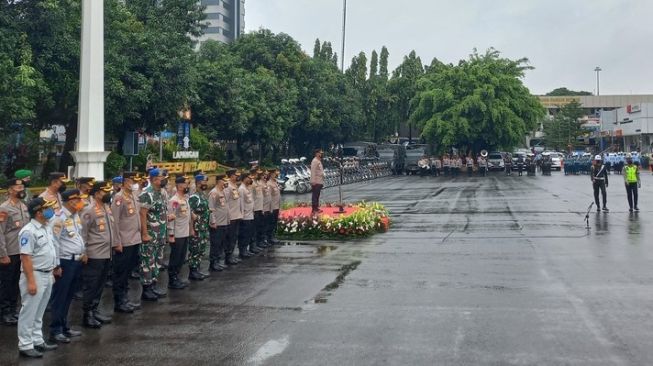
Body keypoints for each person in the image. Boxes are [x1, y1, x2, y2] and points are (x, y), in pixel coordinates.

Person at [17, 197, 60, 358]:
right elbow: (25, 257)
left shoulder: (45, 227)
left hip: (46, 273)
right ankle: (25, 344)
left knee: (39, 311)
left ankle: (37, 340)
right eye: (46, 208)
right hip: (34, 273)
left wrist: (53, 269)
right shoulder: (29, 231)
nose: (51, 211)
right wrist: (31, 281)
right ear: (38, 212)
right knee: (29, 311)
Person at [48, 189, 87, 343]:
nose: (81, 202)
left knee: (69, 296)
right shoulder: (59, 218)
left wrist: (83, 252)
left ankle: (64, 326)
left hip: (76, 261)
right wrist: (56, 265)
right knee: (60, 297)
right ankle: (55, 330)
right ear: (71, 201)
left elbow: (77, 236)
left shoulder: (75, 216)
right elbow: (54, 242)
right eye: (79, 199)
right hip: (65, 262)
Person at [80, 181, 119, 328]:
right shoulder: (89, 210)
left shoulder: (107, 208)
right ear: (96, 194)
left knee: (100, 284)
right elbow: (83, 233)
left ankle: (94, 310)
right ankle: (87, 315)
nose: (108, 194)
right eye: (104, 192)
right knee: (91, 285)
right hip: (94, 254)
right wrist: (83, 252)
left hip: (106, 253)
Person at [110, 172, 142, 313]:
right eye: (132, 180)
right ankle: (119, 301)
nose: (134, 183)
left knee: (128, 272)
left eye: (135, 180)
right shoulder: (119, 197)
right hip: (124, 241)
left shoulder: (133, 196)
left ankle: (125, 298)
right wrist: (117, 242)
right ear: (125, 182)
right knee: (120, 273)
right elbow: (115, 221)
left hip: (134, 239)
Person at [0, 178, 29, 326]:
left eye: (22, 186)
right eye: (18, 187)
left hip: (22, 251)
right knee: (7, 283)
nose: (21, 189)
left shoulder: (23, 206)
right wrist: (3, 254)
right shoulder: (4, 208)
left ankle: (13, 309)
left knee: (17, 283)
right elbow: (0, 232)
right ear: (10, 190)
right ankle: (5, 313)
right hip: (10, 252)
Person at [138, 169, 169, 301]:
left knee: (158, 260)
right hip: (150, 233)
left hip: (160, 233)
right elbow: (142, 214)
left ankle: (154, 284)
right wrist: (144, 233)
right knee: (148, 260)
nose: (164, 180)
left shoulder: (162, 192)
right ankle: (146, 287)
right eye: (162, 177)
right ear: (155, 179)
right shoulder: (147, 193)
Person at [166, 176, 193, 290]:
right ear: (180, 185)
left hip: (185, 232)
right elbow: (171, 218)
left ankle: (177, 277)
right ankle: (172, 280)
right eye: (186, 184)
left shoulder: (185, 198)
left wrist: (191, 229)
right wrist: (171, 234)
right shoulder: (174, 200)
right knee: (175, 258)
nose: (187, 186)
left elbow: (188, 216)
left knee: (182, 257)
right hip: (177, 234)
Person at [188, 174, 210, 280]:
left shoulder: (203, 196)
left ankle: (197, 268)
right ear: (197, 183)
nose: (205, 184)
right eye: (203, 183)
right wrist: (191, 229)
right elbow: (190, 214)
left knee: (201, 249)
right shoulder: (194, 198)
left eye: (205, 183)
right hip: (196, 228)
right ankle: (192, 271)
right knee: (195, 250)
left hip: (203, 227)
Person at [208, 174, 229, 272]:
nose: (225, 182)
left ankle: (218, 261)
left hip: (224, 222)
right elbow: (211, 208)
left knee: (221, 243)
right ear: (219, 181)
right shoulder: (214, 192)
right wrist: (213, 222)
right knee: (215, 244)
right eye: (224, 181)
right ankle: (213, 263)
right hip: (217, 223)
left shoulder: (223, 191)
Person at [224, 169, 242, 265]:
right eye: (236, 175)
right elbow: (226, 202)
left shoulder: (235, 185)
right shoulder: (228, 186)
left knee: (234, 237)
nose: (237, 177)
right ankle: (228, 256)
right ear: (231, 176)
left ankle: (231, 255)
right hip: (231, 216)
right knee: (230, 237)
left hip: (236, 215)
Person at [238, 174, 256, 259]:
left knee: (249, 233)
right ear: (245, 178)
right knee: (244, 234)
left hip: (250, 214)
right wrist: (241, 214)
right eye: (249, 178)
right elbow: (241, 203)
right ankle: (242, 251)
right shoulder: (241, 189)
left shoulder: (247, 188)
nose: (250, 180)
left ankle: (246, 249)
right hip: (245, 215)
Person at [268, 169, 281, 245]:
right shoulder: (269, 184)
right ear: (270, 175)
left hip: (276, 206)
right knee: (271, 223)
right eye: (273, 174)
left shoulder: (275, 182)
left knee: (275, 222)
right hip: (272, 206)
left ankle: (273, 236)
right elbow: (269, 197)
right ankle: (270, 237)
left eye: (275, 174)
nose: (275, 175)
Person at [310, 149, 324, 214]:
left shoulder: (318, 161)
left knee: (317, 195)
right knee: (315, 195)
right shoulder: (315, 161)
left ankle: (316, 208)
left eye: (321, 153)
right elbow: (313, 171)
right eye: (320, 153)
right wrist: (313, 181)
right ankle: (314, 209)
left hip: (319, 181)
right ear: (316, 153)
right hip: (316, 181)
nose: (321, 154)